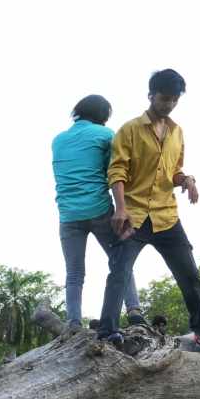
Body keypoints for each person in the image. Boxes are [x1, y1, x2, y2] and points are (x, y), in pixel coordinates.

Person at [98, 69, 200, 352]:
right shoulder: (130, 130)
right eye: (165, 98)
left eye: (174, 100)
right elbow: (117, 171)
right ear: (151, 95)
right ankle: (106, 333)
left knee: (190, 275)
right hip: (134, 215)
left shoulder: (177, 132)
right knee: (119, 273)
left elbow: (172, 172)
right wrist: (120, 209)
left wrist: (187, 180)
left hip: (166, 216)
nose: (169, 104)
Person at [53, 94, 143, 329]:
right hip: (100, 210)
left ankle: (73, 322)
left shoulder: (58, 140)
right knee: (120, 261)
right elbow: (116, 173)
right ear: (102, 116)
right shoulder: (105, 135)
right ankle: (133, 309)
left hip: (68, 215)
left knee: (74, 273)